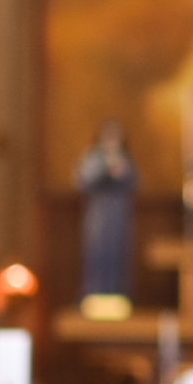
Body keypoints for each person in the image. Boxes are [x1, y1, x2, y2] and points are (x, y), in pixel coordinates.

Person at [75, 120, 137, 304]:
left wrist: (121, 171)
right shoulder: (93, 158)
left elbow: (134, 182)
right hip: (99, 214)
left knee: (117, 258)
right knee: (97, 256)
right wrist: (104, 169)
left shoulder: (124, 159)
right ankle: (93, 296)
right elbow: (82, 180)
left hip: (118, 215)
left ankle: (117, 297)